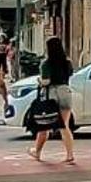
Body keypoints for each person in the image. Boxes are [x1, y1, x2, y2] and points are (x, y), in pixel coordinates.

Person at [31, 36, 77, 166]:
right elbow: (70, 74)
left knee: (44, 125)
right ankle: (70, 155)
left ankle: (37, 152)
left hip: (52, 94)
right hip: (65, 91)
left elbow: (46, 81)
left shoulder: (46, 63)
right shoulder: (67, 62)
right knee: (64, 126)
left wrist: (39, 81)